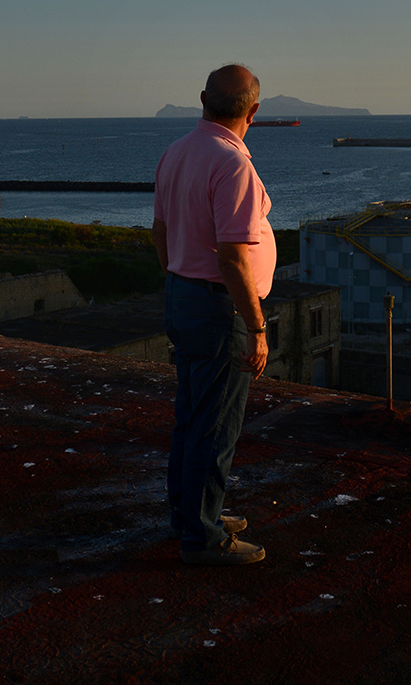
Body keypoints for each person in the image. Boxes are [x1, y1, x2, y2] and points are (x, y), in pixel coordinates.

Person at [152, 63, 277, 565]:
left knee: (192, 417)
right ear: (255, 111)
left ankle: (191, 514)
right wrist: (257, 325)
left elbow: (160, 231)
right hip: (215, 307)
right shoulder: (232, 165)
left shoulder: (176, 152)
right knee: (216, 426)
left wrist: (178, 277)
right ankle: (203, 538)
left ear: (203, 98)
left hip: (183, 294)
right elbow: (232, 257)